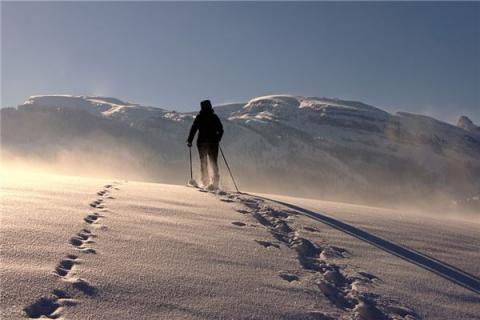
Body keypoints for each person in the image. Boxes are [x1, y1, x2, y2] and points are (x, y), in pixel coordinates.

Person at [187, 100, 224, 189]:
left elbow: (193, 129)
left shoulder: (199, 117)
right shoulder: (214, 117)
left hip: (201, 143)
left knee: (203, 162)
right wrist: (217, 139)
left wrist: (190, 140)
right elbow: (221, 130)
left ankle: (205, 182)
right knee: (214, 162)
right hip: (213, 143)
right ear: (210, 106)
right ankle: (215, 183)